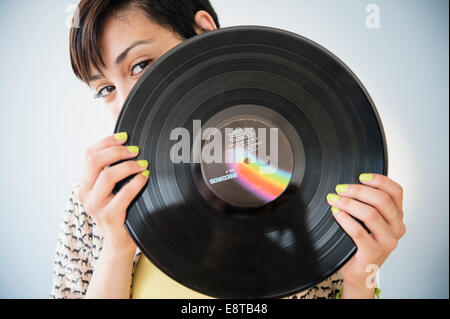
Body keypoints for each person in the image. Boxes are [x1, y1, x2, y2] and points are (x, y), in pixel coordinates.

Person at [51, 0, 406, 299]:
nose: (127, 101)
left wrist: (361, 280)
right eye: (105, 89)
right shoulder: (95, 199)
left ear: (203, 32)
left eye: (141, 65)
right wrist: (116, 247)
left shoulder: (325, 176)